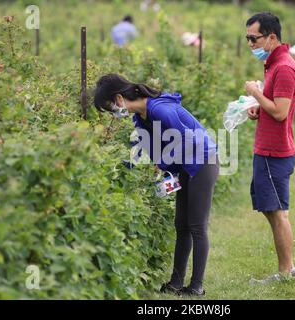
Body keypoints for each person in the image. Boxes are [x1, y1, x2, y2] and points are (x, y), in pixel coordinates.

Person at [93, 74, 219, 296]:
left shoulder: (160, 110)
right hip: (184, 165)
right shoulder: (140, 118)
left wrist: (165, 165)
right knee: (181, 225)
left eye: (110, 107)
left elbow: (188, 141)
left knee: (197, 226)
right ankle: (176, 282)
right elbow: (147, 151)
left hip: (202, 161)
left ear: (119, 98)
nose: (113, 113)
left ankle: (196, 286)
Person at [244, 12, 295, 284]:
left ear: (272, 37)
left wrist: (256, 92)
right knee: (272, 210)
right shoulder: (273, 63)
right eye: (247, 39)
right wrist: (259, 107)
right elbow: (274, 108)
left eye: (253, 39)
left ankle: (286, 271)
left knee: (277, 214)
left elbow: (280, 112)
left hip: (275, 153)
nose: (250, 44)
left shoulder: (284, 68)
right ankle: (287, 269)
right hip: (266, 150)